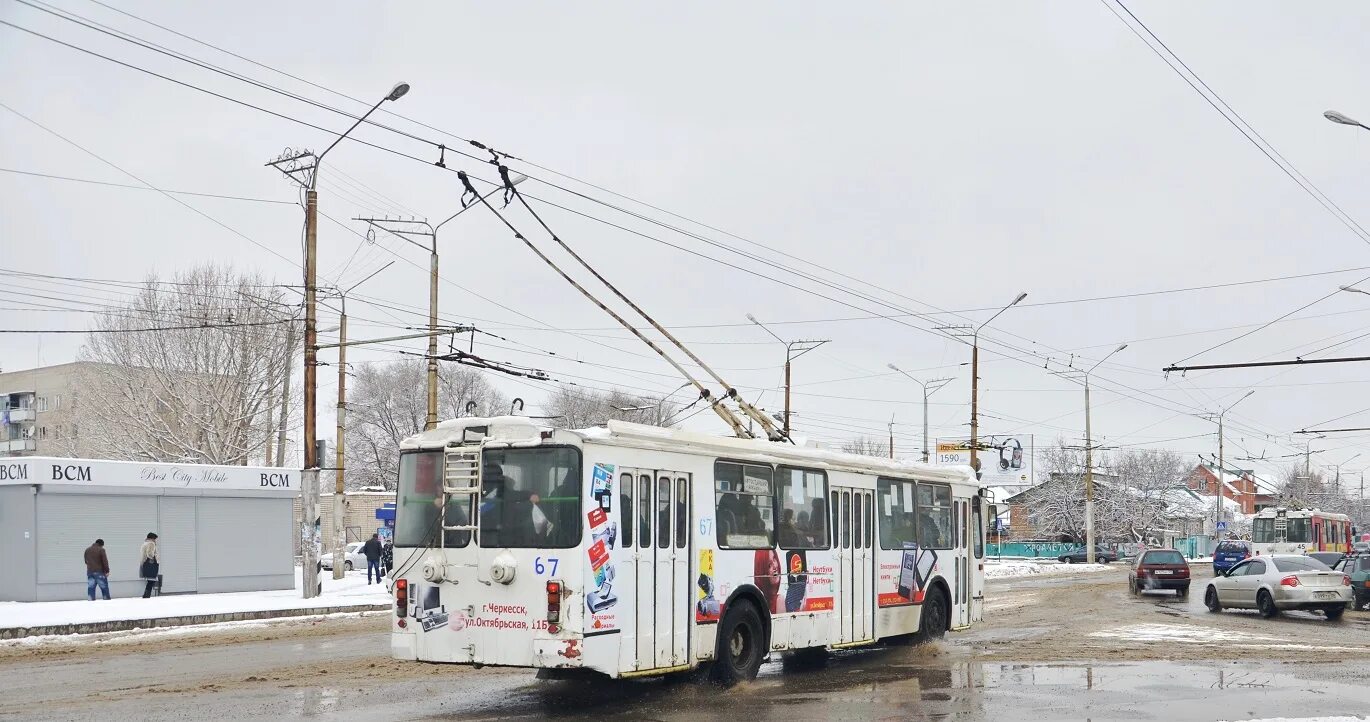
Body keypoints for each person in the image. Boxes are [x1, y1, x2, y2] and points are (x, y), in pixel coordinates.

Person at [139, 532, 160, 598]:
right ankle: (147, 595)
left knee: (149, 580)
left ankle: (146, 594)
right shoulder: (151, 543)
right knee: (151, 581)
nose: (155, 540)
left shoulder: (144, 543)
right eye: (155, 539)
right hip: (151, 564)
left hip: (144, 563)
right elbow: (150, 554)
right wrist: (154, 559)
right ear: (152, 538)